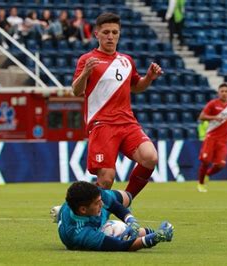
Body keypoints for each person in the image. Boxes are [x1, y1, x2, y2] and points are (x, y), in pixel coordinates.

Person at [72, 13, 164, 198]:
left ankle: (126, 200)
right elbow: (76, 90)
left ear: (119, 34)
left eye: (115, 32)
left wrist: (149, 78)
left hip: (127, 123)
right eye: (106, 32)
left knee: (150, 157)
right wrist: (85, 74)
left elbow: (136, 87)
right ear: (96, 34)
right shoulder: (87, 59)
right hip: (102, 124)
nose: (110, 36)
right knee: (106, 179)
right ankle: (89, 214)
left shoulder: (126, 61)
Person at [55, 181, 174, 251]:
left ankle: (60, 211)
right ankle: (151, 233)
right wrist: (155, 238)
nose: (102, 204)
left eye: (100, 200)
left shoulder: (95, 195)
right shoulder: (80, 233)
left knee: (127, 197)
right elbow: (120, 246)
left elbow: (115, 207)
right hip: (91, 227)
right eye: (97, 203)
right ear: (83, 209)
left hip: (91, 215)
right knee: (125, 233)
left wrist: (131, 220)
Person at [196, 83, 227, 192]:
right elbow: (201, 117)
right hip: (211, 137)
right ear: (218, 92)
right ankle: (200, 183)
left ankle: (207, 175)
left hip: (223, 139)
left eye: (226, 91)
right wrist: (215, 117)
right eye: (222, 91)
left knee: (221, 164)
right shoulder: (212, 104)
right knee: (205, 161)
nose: (224, 93)